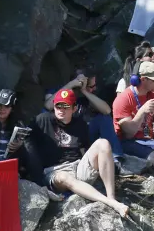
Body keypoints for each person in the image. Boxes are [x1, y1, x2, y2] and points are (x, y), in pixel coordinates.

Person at [28, 89, 129, 217]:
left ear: (74, 108)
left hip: (77, 166)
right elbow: (27, 141)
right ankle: (111, 203)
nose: (61, 109)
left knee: (103, 143)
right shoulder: (42, 120)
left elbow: (85, 150)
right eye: (58, 105)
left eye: (66, 106)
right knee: (65, 177)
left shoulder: (80, 124)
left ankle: (111, 196)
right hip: (55, 172)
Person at [47, 70, 123, 161]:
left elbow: (107, 110)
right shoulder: (59, 91)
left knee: (104, 118)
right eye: (91, 86)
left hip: (85, 137)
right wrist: (71, 84)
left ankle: (116, 158)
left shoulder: (88, 98)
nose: (94, 89)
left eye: (95, 85)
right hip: (65, 137)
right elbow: (48, 105)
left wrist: (85, 91)